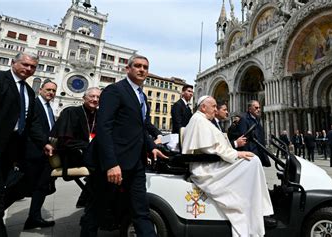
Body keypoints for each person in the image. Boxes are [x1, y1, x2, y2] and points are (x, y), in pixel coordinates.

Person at [80, 55, 167, 236]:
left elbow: (140, 127)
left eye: (145, 67)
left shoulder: (142, 96)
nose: (142, 69)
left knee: (141, 210)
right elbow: (104, 128)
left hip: (136, 163)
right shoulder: (115, 90)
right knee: (97, 210)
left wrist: (151, 147)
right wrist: (111, 164)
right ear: (128, 69)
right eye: (137, 66)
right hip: (111, 163)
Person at [181, 95, 274, 237]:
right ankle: (255, 209)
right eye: (213, 106)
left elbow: (215, 147)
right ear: (203, 107)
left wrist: (234, 152)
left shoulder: (202, 120)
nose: (215, 109)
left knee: (253, 161)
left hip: (210, 162)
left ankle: (259, 208)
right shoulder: (199, 121)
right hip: (205, 168)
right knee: (252, 162)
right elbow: (212, 149)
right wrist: (236, 154)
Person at [0, 52, 52, 237]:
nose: (28, 69)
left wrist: (44, 143)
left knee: (9, 191)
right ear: (13, 62)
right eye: (25, 64)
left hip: (12, 153)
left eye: (33, 67)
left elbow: (31, 123)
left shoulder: (28, 92)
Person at [22, 79, 58, 230]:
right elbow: (33, 128)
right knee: (20, 188)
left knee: (41, 187)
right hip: (33, 153)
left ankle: (34, 218)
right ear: (40, 90)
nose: (51, 92)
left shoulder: (49, 107)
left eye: (53, 91)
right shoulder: (34, 105)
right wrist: (45, 143)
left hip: (46, 155)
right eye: (48, 89)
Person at [233, 100, 271, 167]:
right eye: (256, 108)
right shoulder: (244, 119)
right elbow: (243, 138)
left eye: (259, 107)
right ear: (250, 109)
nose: (258, 110)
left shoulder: (257, 119)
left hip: (259, 152)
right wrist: (249, 155)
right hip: (251, 154)